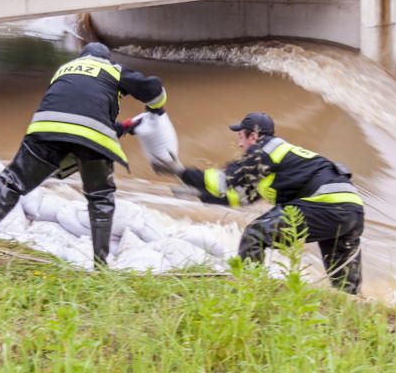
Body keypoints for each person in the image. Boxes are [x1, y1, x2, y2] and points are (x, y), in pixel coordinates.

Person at [0, 42, 168, 266]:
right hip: (92, 139)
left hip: (47, 131)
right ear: (107, 59)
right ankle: (100, 265)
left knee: (9, 185)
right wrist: (156, 109)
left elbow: (76, 115)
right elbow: (153, 88)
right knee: (100, 200)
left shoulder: (64, 70)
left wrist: (125, 127)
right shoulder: (113, 69)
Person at [153, 112, 364, 293]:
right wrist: (200, 195)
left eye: (241, 137)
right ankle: (355, 311)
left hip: (325, 204)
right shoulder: (279, 157)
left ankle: (250, 292)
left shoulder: (263, 150)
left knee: (255, 234)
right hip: (351, 209)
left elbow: (225, 180)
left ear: (253, 136)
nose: (239, 143)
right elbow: (242, 197)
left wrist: (181, 171)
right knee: (345, 284)